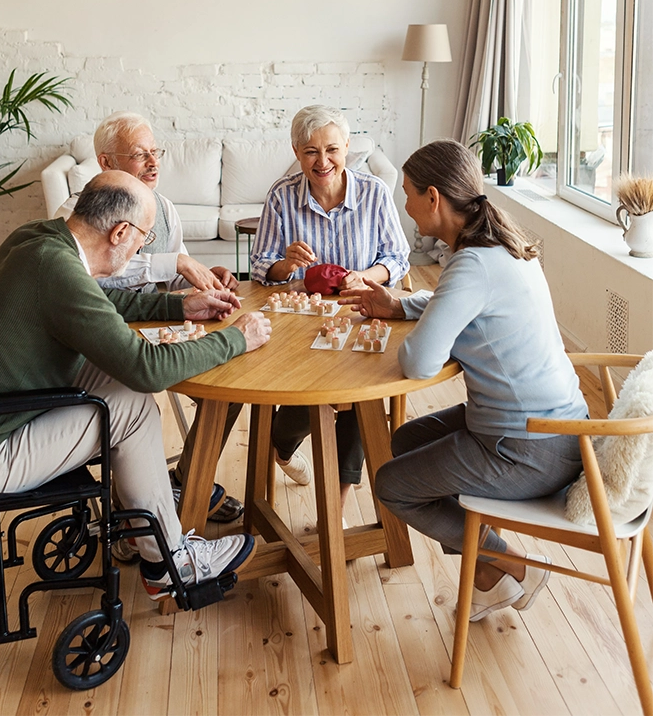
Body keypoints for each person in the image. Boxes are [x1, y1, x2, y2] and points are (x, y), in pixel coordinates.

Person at [0, 171, 272, 602]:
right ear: (120, 231)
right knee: (132, 401)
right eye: (145, 235)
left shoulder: (39, 239)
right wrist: (237, 338)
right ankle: (169, 561)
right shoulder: (57, 271)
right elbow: (147, 368)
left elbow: (93, 299)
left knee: (125, 392)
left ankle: (144, 528)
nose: (143, 245)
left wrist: (177, 304)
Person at [341, 139, 588, 620]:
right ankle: (487, 572)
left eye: (409, 192)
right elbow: (462, 304)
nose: (405, 204)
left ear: (434, 198)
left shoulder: (471, 263)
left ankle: (506, 563)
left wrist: (409, 324)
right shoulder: (498, 245)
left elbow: (419, 362)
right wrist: (398, 304)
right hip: (556, 428)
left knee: (393, 484)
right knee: (407, 438)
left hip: (526, 448)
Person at [57, 112, 244, 527]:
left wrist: (202, 274)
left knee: (228, 388)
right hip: (98, 331)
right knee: (133, 397)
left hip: (154, 321)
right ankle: (130, 512)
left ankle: (189, 482)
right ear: (106, 163)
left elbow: (168, 277)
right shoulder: (77, 211)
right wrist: (172, 260)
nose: (154, 162)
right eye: (140, 155)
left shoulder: (164, 209)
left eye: (155, 152)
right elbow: (95, 272)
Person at [251, 105, 410, 512]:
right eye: (310, 152)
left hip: (362, 314)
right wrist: (286, 263)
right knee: (308, 397)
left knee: (361, 393)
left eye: (332, 150)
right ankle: (282, 447)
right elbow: (260, 266)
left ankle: (334, 508)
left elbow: (397, 257)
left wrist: (368, 274)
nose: (322, 162)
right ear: (295, 151)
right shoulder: (282, 196)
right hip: (300, 321)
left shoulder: (373, 192)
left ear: (347, 148)